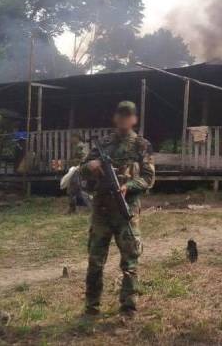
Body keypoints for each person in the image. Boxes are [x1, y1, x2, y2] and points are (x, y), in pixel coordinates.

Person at [79, 101, 155, 318]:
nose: (124, 119)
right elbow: (81, 171)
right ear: (115, 118)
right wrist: (90, 167)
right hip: (101, 210)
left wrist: (127, 186)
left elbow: (148, 178)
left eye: (128, 115)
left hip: (126, 211)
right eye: (121, 115)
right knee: (95, 261)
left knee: (130, 261)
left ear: (134, 119)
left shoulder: (142, 146)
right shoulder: (102, 144)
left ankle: (128, 308)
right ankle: (91, 307)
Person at [67, 133, 91, 214]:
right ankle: (72, 208)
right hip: (76, 169)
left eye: (72, 137)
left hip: (79, 169)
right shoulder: (78, 146)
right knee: (73, 188)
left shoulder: (80, 146)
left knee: (78, 188)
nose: (71, 140)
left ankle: (90, 207)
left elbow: (84, 158)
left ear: (77, 138)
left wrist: (73, 162)